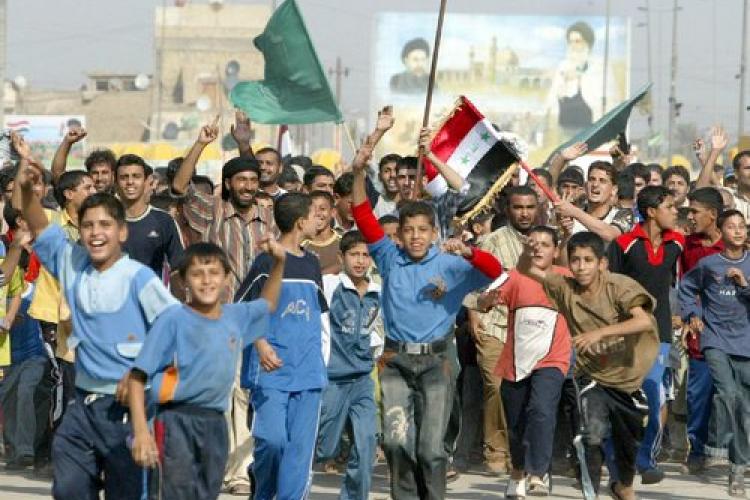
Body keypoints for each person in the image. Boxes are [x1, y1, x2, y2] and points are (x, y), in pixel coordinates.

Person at [350, 140, 503, 500]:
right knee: (397, 442)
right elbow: (362, 215)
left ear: (434, 233)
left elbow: (494, 271)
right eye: (409, 230)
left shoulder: (450, 264)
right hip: (395, 361)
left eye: (423, 230)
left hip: (437, 364)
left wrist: (469, 251)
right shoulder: (389, 258)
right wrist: (358, 171)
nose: (416, 236)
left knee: (432, 450)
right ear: (400, 235)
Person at [17, 159, 179, 498]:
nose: (95, 232)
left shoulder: (139, 278)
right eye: (88, 225)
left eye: (105, 224)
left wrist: (139, 373)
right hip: (83, 407)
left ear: (122, 232)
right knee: (69, 488)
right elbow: (40, 225)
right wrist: (30, 189)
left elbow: (175, 330)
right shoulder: (72, 263)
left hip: (128, 410)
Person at [127, 240, 284, 500]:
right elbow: (136, 378)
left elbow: (268, 303)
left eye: (214, 273)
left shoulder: (235, 317)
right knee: (172, 494)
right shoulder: (173, 319)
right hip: (175, 421)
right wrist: (142, 432)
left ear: (227, 279)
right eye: (197, 274)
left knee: (206, 494)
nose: (206, 280)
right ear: (183, 281)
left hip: (215, 424)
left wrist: (279, 262)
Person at [517, 231, 659, 500]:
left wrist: (599, 334)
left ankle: (622, 486)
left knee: (628, 441)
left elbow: (642, 321)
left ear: (602, 263)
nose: (581, 267)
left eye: (588, 260)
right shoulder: (565, 287)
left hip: (628, 376)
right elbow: (527, 269)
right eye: (575, 260)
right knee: (591, 436)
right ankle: (590, 493)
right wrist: (527, 251)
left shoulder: (618, 286)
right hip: (591, 375)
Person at [174, 121, 274, 494]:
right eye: (240, 180)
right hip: (221, 319)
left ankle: (241, 469)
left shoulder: (270, 214)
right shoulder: (212, 211)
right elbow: (180, 188)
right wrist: (200, 143)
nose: (247, 186)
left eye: (253, 180)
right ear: (228, 184)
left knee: (248, 395)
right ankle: (229, 470)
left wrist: (245, 143)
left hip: (260, 319)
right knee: (225, 395)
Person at [235, 192, 329, 500]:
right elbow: (242, 309)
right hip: (271, 372)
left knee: (299, 452)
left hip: (308, 372)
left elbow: (319, 316)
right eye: (315, 214)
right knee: (273, 441)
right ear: (301, 222)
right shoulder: (267, 261)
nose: (320, 219)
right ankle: (262, 488)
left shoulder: (312, 264)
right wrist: (260, 343)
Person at [477, 225, 571, 497]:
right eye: (533, 244)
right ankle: (518, 471)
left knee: (542, 410)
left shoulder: (565, 279)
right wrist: (487, 299)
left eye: (545, 244)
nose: (538, 249)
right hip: (515, 362)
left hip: (553, 360)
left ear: (556, 251)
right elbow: (483, 302)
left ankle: (538, 473)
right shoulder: (514, 277)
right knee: (517, 423)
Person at [607, 185, 684, 484]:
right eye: (670, 207)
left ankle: (646, 460)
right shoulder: (623, 244)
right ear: (651, 211)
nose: (676, 212)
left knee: (655, 394)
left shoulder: (676, 242)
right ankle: (614, 458)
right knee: (621, 397)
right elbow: (611, 287)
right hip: (627, 333)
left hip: (660, 333)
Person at [464, 185, 540, 475]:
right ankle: (496, 450)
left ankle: (524, 453)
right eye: (518, 207)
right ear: (508, 210)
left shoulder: (545, 241)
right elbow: (471, 283)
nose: (524, 213)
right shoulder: (491, 242)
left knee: (526, 395)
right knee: (495, 388)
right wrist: (473, 314)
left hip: (534, 330)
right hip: (494, 326)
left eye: (530, 207)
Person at [679, 209, 750, 497]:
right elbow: (686, 288)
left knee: (744, 407)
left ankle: (738, 467)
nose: (738, 231)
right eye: (731, 226)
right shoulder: (708, 264)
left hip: (745, 343)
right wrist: (693, 313)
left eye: (742, 226)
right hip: (715, 340)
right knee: (728, 394)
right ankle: (718, 447)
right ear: (721, 231)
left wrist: (744, 285)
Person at [316, 230, 381, 500]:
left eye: (365, 255)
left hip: (362, 379)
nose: (360, 261)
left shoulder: (377, 291)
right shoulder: (330, 285)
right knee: (324, 448)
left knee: (366, 445)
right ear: (341, 257)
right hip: (333, 378)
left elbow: (377, 329)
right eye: (354, 254)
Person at [681, 187, 726, 473]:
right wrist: (689, 314)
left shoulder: (735, 247)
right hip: (700, 331)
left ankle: (729, 450)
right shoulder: (687, 245)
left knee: (731, 394)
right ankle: (696, 451)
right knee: (699, 395)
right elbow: (685, 287)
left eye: (695, 211)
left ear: (712, 214)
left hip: (732, 332)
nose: (690, 216)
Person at [116, 154, 184, 278]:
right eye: (124, 177)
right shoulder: (106, 221)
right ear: (116, 183)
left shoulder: (164, 221)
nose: (130, 182)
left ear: (146, 181)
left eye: (136, 176)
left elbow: (178, 267)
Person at [555, 161, 633, 242]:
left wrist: (575, 212)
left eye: (602, 181)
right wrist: (566, 235)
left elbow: (611, 235)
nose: (595, 184)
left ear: (614, 190)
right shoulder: (571, 219)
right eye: (592, 179)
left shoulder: (623, 214)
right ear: (585, 186)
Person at [304, 190, 342, 275]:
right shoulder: (301, 245)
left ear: (333, 212)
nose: (317, 213)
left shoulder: (344, 241)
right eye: (312, 209)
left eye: (322, 209)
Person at [373, 153, 402, 218]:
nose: (392, 175)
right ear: (379, 177)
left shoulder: (414, 201)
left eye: (396, 171)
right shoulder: (374, 203)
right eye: (386, 171)